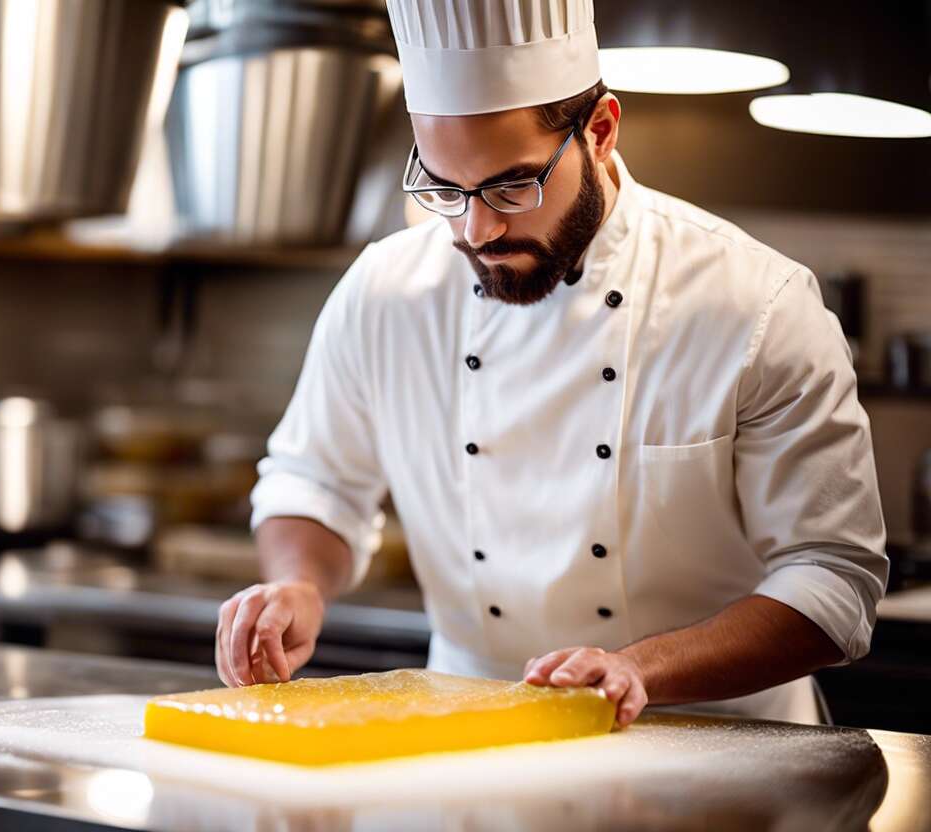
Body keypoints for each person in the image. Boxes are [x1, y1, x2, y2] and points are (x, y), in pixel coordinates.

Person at [215, 0, 888, 727]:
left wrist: (638, 670)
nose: (477, 229)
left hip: (725, 747)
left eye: (512, 186)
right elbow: (313, 480)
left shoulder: (754, 305)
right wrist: (298, 584)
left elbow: (833, 577)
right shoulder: (385, 292)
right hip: (467, 744)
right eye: (443, 188)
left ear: (600, 132)